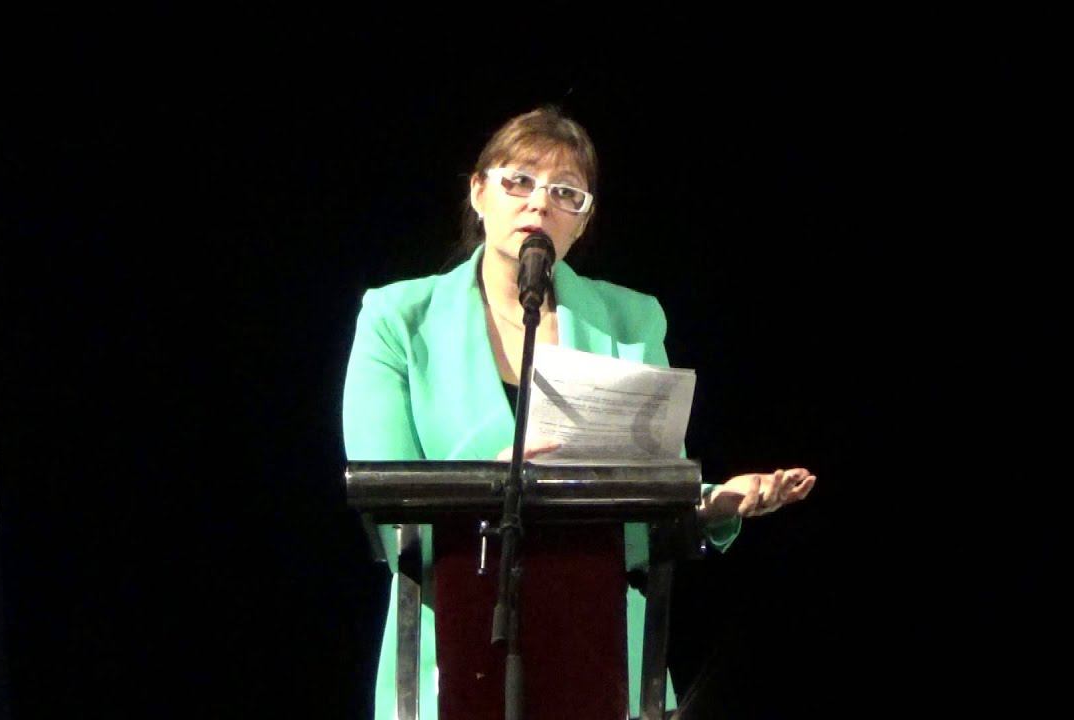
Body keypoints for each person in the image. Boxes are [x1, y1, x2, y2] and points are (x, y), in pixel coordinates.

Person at [342, 106, 816, 719]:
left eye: (566, 193)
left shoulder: (631, 320)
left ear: (582, 222)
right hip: (451, 644)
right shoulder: (396, 319)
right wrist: (488, 485)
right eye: (519, 181)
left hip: (602, 653)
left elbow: (648, 503)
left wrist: (707, 505)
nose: (539, 204)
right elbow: (384, 499)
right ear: (478, 192)